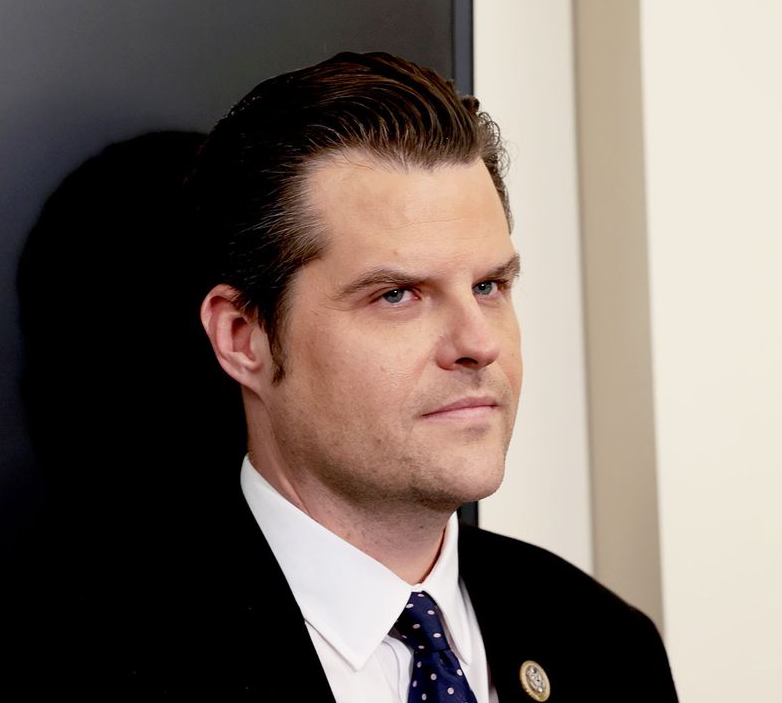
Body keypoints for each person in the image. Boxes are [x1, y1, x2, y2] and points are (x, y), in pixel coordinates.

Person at [100, 52, 677, 702]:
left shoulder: (604, 644)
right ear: (244, 339)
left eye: (489, 285)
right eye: (398, 295)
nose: (479, 344)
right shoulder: (79, 658)